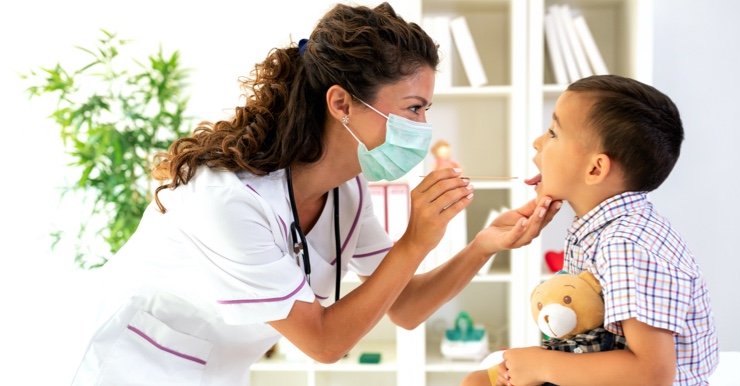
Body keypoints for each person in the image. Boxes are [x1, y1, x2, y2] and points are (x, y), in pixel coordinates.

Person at [70, 3, 562, 385]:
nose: (423, 127)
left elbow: (404, 306)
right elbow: (323, 342)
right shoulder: (228, 198)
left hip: (216, 368)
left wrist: (483, 246)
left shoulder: (345, 190)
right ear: (341, 102)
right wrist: (417, 239)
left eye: (425, 109)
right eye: (413, 108)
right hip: (123, 367)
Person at [462, 75, 718, 386]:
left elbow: (652, 373)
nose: (537, 142)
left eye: (553, 133)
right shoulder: (602, 229)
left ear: (595, 169)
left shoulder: (625, 244)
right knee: (481, 380)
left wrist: (543, 365)